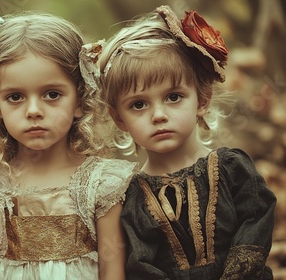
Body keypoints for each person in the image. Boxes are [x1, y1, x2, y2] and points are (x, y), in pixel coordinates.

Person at [95, 5, 276, 279]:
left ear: (202, 99)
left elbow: (255, 225)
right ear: (119, 119)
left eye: (173, 97)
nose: (158, 115)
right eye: (139, 104)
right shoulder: (132, 197)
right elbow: (141, 265)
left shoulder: (232, 168)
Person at [0, 12, 137, 280]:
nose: (33, 111)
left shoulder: (102, 183)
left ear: (80, 100)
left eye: (52, 95)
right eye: (15, 97)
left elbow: (111, 270)